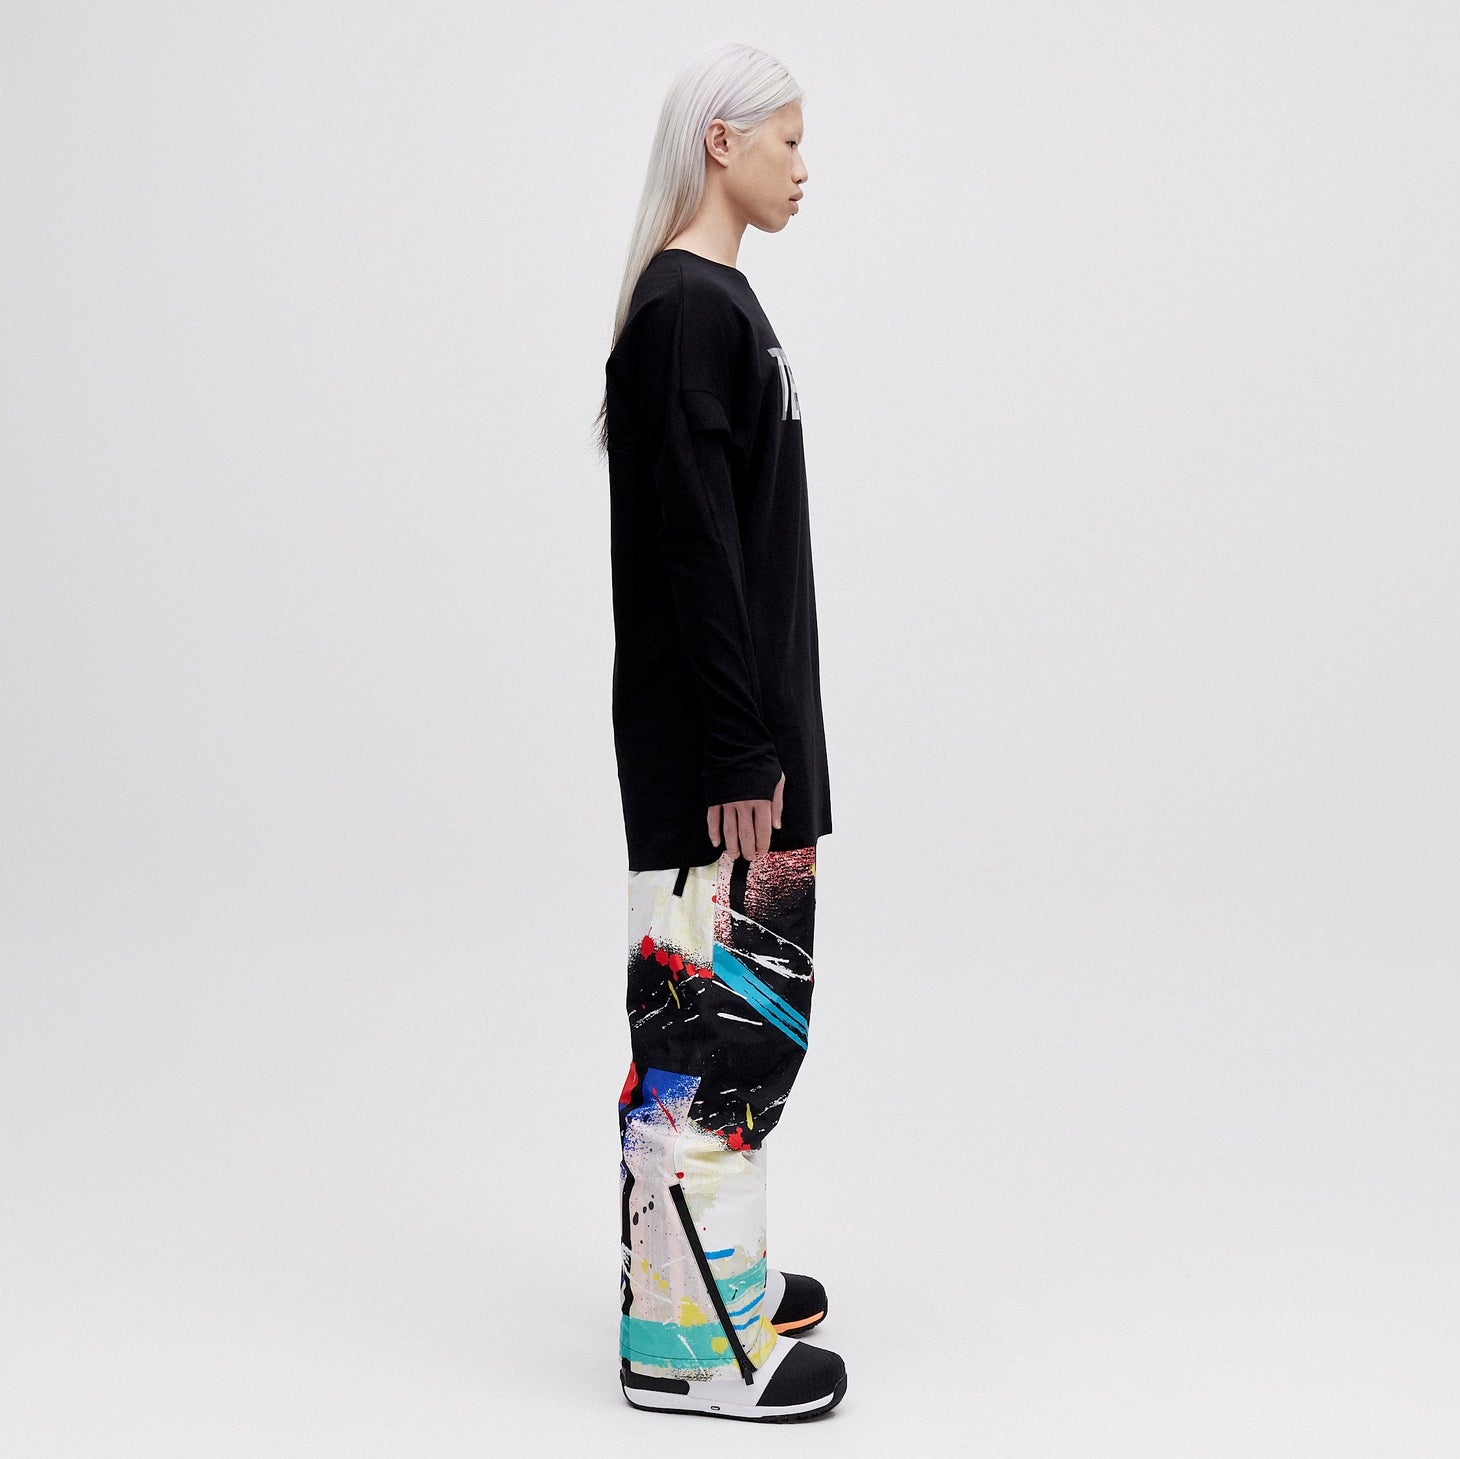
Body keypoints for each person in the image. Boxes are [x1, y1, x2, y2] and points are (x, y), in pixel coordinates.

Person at [595, 42, 845, 1423]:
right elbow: (692, 548)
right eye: (788, 140)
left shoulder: (711, 304)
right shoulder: (686, 308)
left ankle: (708, 1282)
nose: (804, 167)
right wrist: (742, 751)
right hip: (720, 767)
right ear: (721, 142)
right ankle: (690, 1350)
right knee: (710, 1044)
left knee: (744, 1032)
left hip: (750, 751)